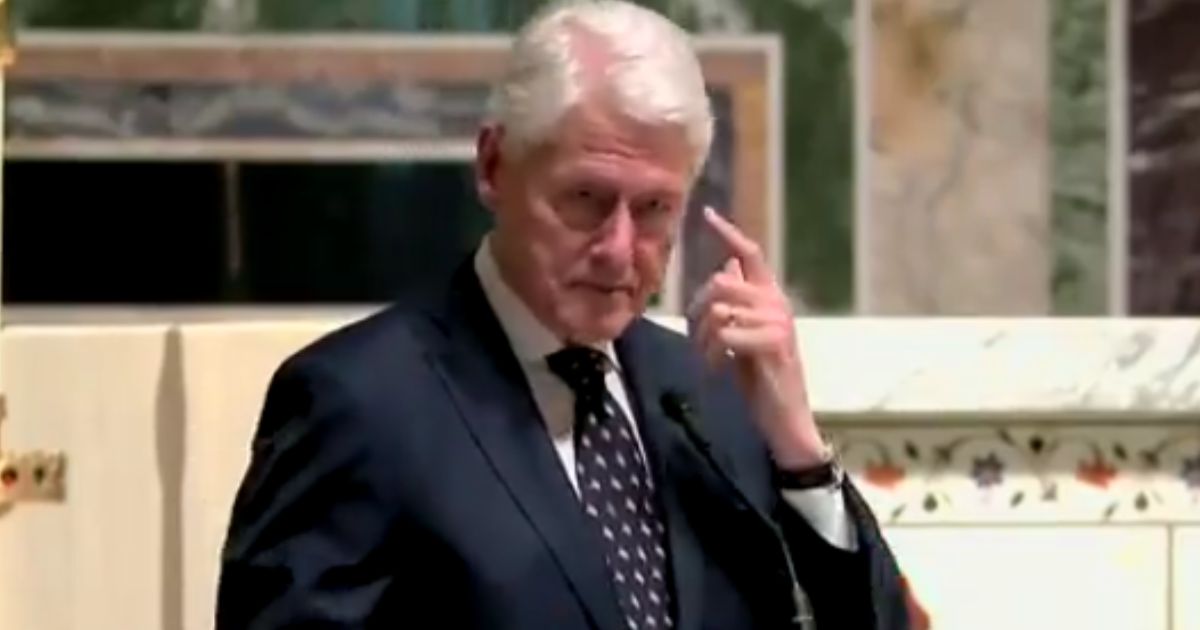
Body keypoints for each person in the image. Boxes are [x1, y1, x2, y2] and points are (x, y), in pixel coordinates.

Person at [215, 1, 910, 628]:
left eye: (653, 210)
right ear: (493, 166)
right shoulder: (358, 401)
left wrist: (799, 452)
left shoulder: (708, 395)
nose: (617, 250)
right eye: (584, 198)